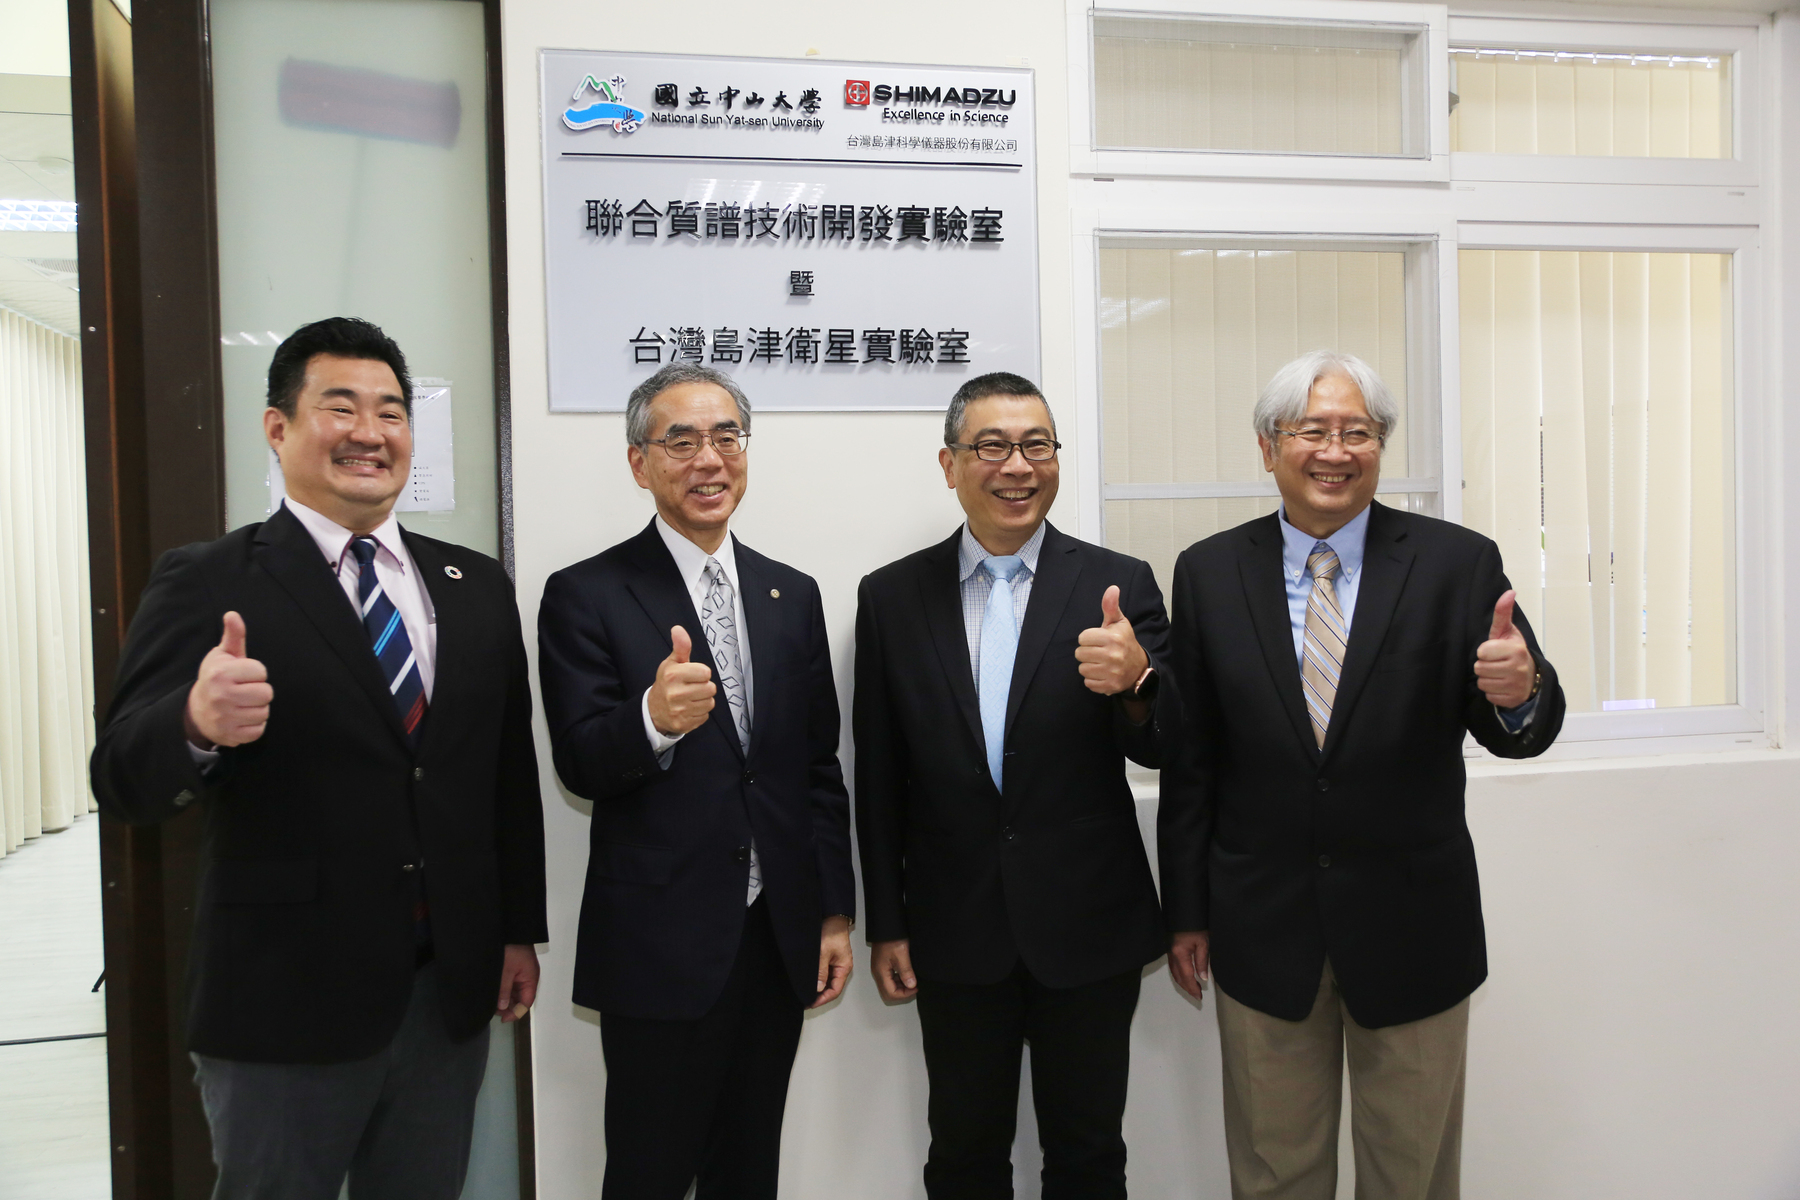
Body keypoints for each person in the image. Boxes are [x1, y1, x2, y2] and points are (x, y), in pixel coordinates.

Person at [89, 317, 546, 1200]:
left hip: (442, 994)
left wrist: (515, 928)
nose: (370, 433)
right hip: (282, 1001)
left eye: (391, 411)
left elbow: (503, 779)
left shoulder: (475, 584)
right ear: (278, 427)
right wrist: (192, 719)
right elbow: (120, 778)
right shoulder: (210, 579)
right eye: (339, 407)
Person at [1159, 350, 1566, 1200]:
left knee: (1411, 1175)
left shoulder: (1457, 564)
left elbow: (1519, 727)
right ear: (1269, 448)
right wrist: (1188, 913)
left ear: (1380, 447)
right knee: (1274, 1174)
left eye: (1358, 432)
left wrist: (1521, 694)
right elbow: (1194, 761)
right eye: (1312, 431)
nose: (1335, 451)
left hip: (1414, 927)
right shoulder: (1206, 571)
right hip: (1261, 927)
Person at [536, 363, 855, 1200]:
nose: (708, 459)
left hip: (774, 932)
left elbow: (815, 767)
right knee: (648, 1172)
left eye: (726, 437)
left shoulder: (792, 593)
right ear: (640, 463)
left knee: (748, 1172)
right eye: (681, 441)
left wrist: (830, 909)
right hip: (657, 942)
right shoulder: (585, 594)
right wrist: (650, 719)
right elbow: (579, 762)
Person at [854, 372, 1175, 1199]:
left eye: (1037, 445)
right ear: (950, 464)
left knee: (1088, 1152)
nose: (1017, 466)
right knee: (963, 1152)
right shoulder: (891, 597)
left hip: (1088, 928)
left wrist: (1140, 682)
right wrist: (886, 922)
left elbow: (1172, 748)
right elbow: (881, 777)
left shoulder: (1119, 584)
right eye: (991, 446)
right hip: (953, 927)